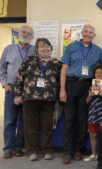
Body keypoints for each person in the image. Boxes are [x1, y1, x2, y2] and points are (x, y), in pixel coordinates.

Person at [59, 24, 102, 164]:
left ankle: (78, 150)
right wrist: (62, 89)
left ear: (94, 36)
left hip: (87, 85)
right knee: (69, 119)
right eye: (86, 32)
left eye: (91, 33)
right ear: (82, 33)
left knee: (82, 119)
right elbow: (64, 68)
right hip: (71, 84)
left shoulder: (98, 50)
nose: (88, 34)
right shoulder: (71, 47)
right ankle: (67, 151)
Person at [14, 38, 61, 161]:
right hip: (30, 98)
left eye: (47, 46)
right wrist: (18, 94)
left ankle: (47, 150)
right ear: (37, 49)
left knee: (47, 126)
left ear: (51, 48)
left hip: (49, 99)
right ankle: (32, 151)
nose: (45, 48)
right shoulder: (29, 60)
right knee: (31, 126)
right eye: (42, 46)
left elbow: (61, 80)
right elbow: (19, 77)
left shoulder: (56, 62)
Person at [0, 25, 35, 159]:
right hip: (12, 88)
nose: (26, 35)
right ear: (19, 34)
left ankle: (19, 147)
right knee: (9, 120)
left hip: (28, 90)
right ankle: (8, 148)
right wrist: (4, 84)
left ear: (32, 37)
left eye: (29, 33)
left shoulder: (34, 50)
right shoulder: (9, 49)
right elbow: (1, 67)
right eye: (24, 32)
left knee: (24, 120)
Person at [84, 64, 102, 162]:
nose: (99, 74)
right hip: (92, 114)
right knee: (93, 134)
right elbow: (87, 102)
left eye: (101, 73)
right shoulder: (92, 87)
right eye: (97, 73)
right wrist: (90, 95)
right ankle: (94, 153)